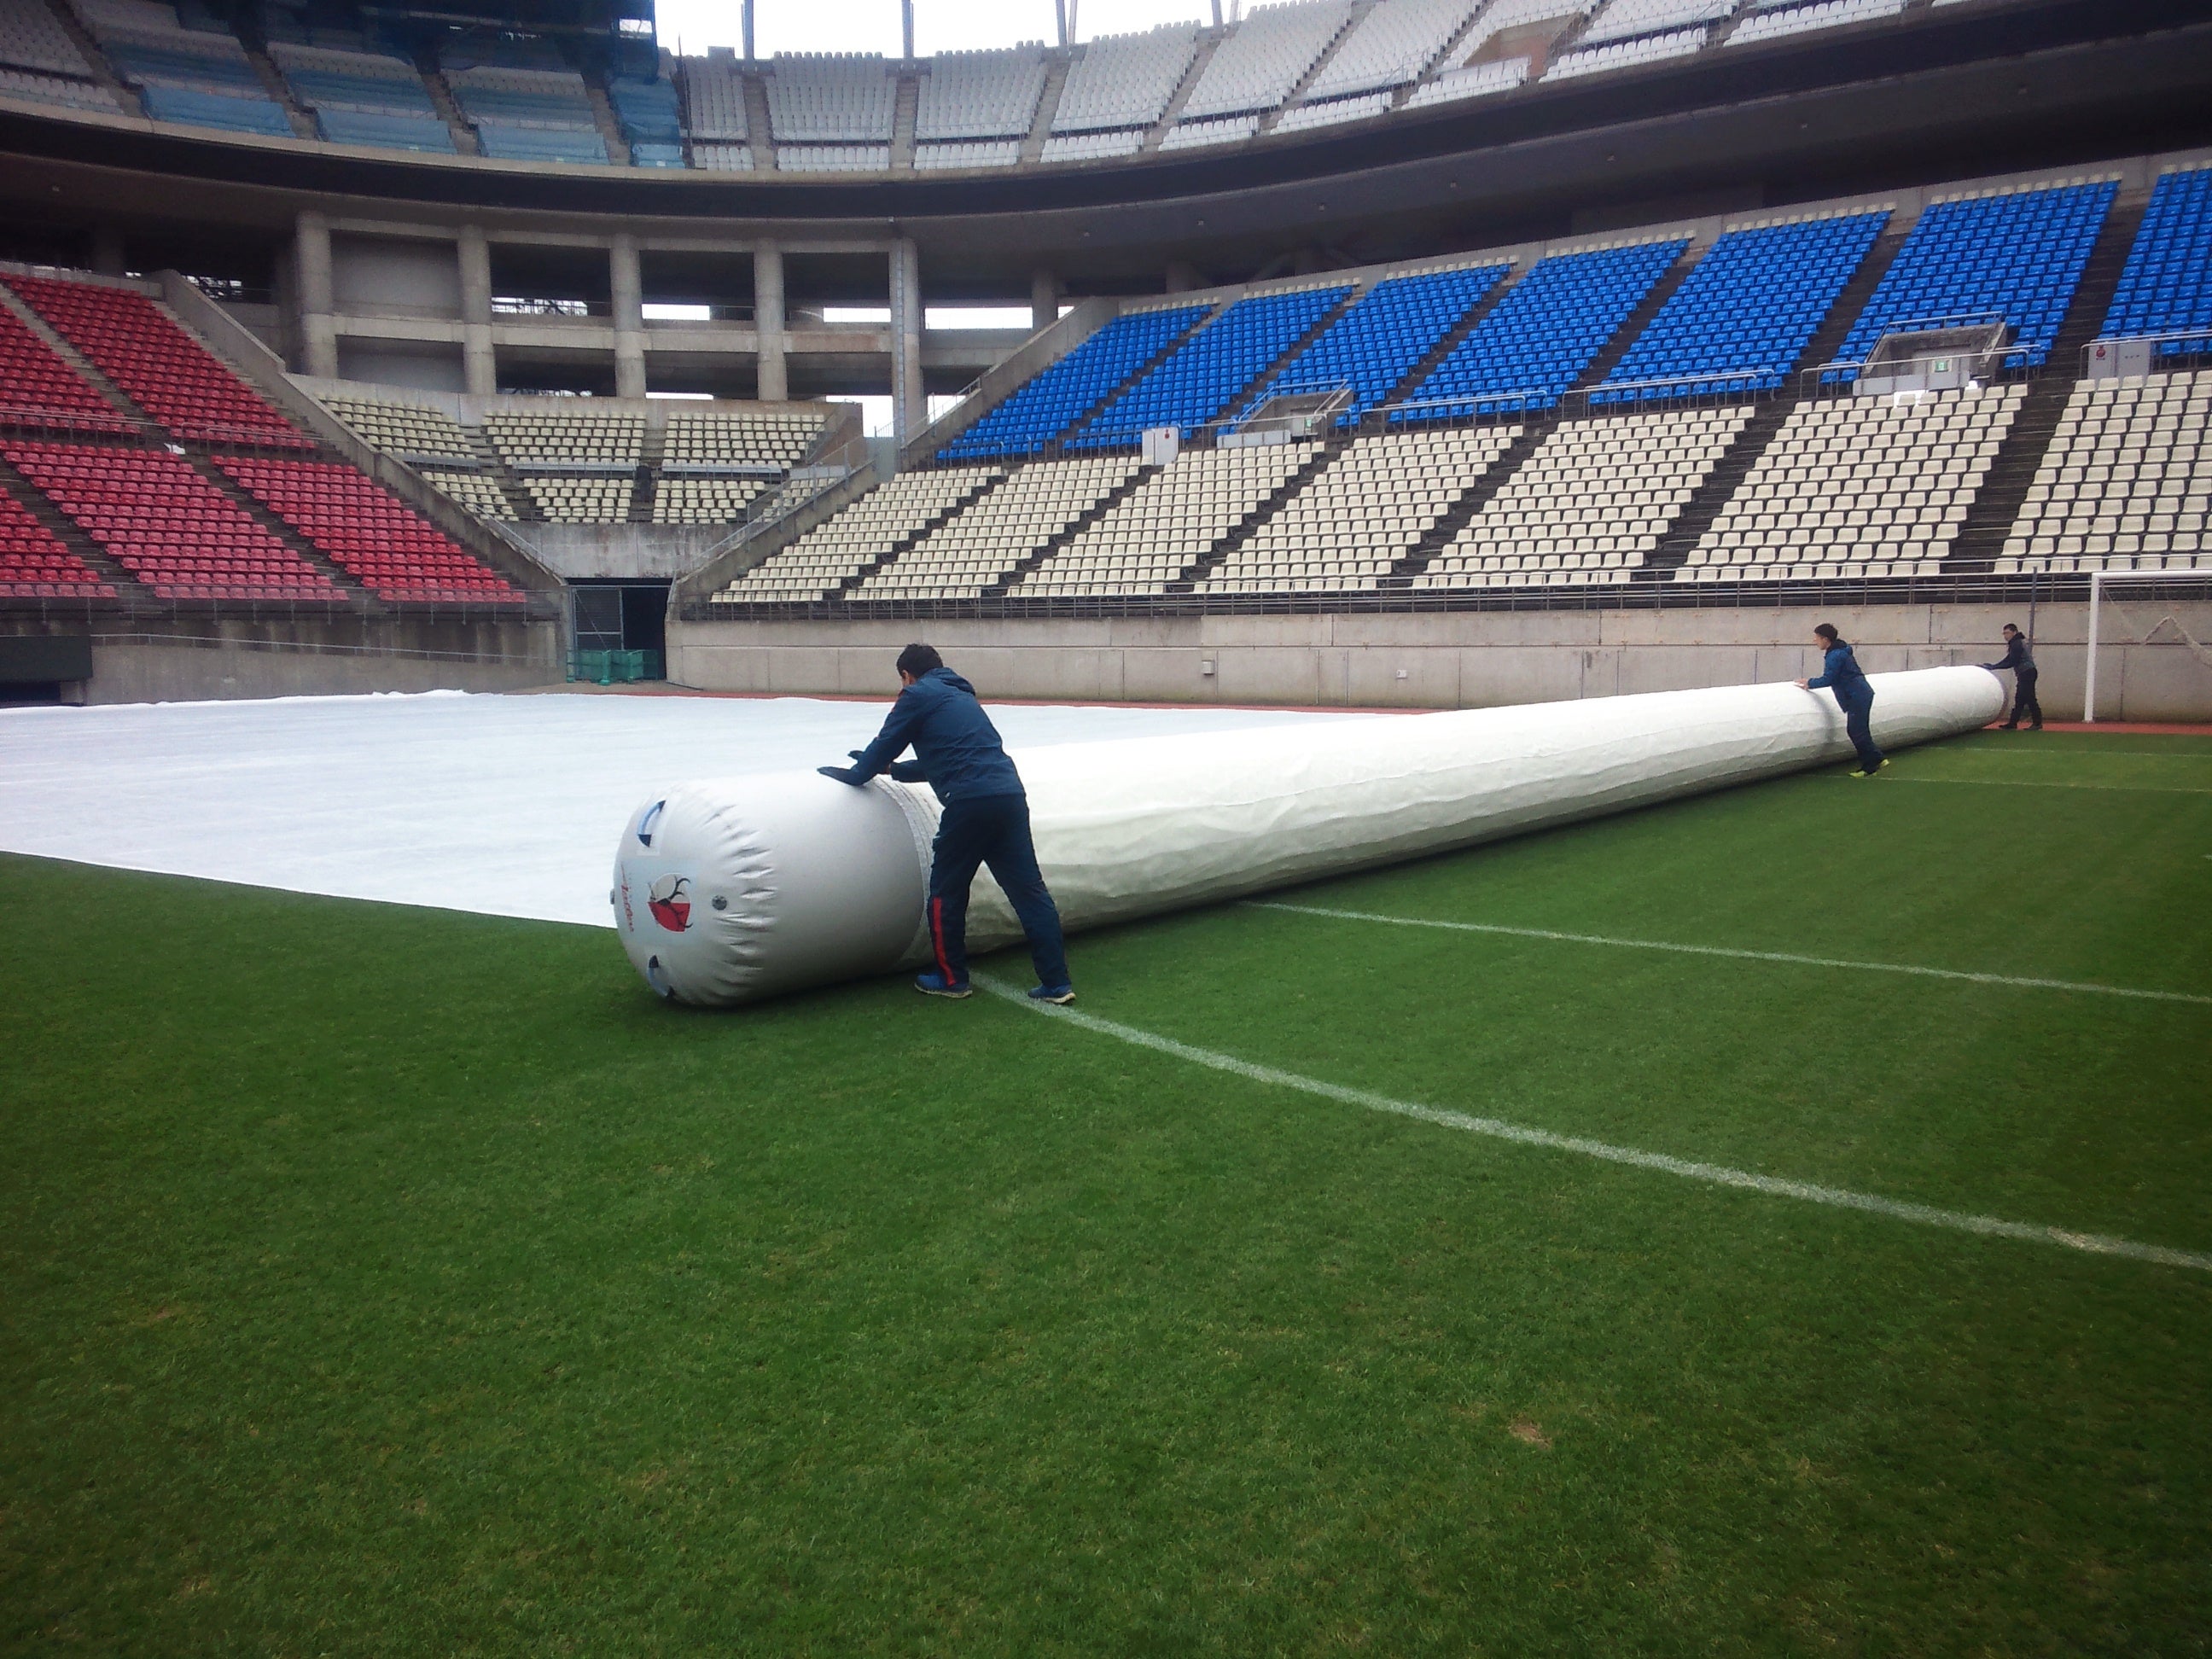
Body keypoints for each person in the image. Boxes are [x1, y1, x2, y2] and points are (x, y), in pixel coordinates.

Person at [818, 643, 1074, 1004]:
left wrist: (859, 774)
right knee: (1031, 893)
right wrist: (893, 771)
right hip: (1009, 796)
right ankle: (1057, 983)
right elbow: (946, 759)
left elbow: (886, 741)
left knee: (946, 894)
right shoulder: (962, 697)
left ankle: (951, 979)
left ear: (907, 676)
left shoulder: (917, 695)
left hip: (968, 803)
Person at [1795, 622, 1889, 776]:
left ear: (1825, 639)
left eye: (1817, 638)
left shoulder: (1835, 655)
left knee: (1856, 731)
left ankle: (1870, 767)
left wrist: (1809, 683)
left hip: (1855, 696)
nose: (1815, 641)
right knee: (1860, 730)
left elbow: (1829, 678)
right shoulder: (1841, 650)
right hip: (1861, 693)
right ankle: (1878, 758)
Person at [1981, 622, 2042, 730]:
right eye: (2004, 633)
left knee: (2029, 698)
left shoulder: (2016, 644)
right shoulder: (2016, 643)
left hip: (2026, 673)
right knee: (2020, 699)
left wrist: (1994, 667)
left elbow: (2011, 661)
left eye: (2007, 633)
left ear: (2014, 632)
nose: (2005, 636)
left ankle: (2037, 723)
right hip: (2026, 673)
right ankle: (2014, 723)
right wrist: (1994, 666)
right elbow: (2009, 659)